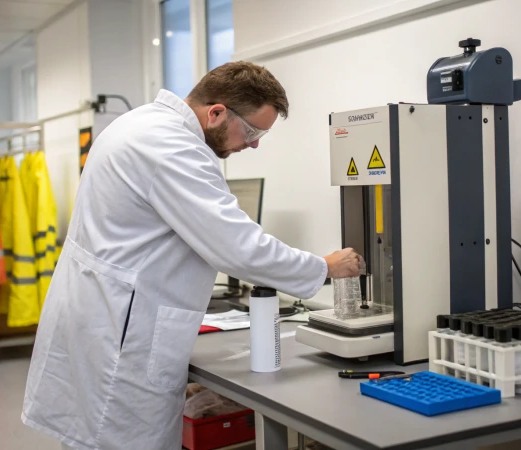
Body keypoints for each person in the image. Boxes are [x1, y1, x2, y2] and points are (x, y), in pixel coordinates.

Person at [21, 61, 362, 450]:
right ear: (216, 112)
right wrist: (324, 267)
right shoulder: (171, 148)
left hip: (104, 316)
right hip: (124, 333)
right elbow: (237, 246)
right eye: (251, 131)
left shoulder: (141, 124)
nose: (253, 144)